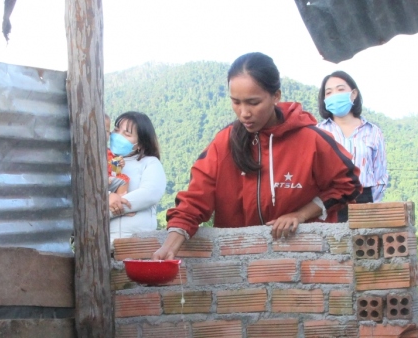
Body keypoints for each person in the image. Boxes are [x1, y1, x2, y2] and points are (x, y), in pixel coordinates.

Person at [153, 52, 360, 260]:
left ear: (275, 96)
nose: (244, 113)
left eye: (253, 103)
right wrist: (169, 247)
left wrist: (301, 214)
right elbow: (195, 200)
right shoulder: (223, 144)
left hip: (305, 261)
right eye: (236, 102)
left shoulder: (311, 140)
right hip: (240, 264)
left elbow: (348, 184)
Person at [317, 70, 389, 203]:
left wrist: (371, 204)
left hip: (365, 201)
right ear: (324, 100)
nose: (335, 95)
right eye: (329, 92)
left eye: (340, 89)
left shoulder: (373, 132)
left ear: (353, 94)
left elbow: (380, 176)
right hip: (329, 202)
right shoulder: (318, 132)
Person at [108, 111, 166, 241]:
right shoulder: (101, 162)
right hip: (103, 246)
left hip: (138, 245)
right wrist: (107, 198)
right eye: (116, 130)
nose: (118, 136)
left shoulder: (149, 163)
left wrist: (107, 209)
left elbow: (149, 193)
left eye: (126, 134)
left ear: (140, 144)